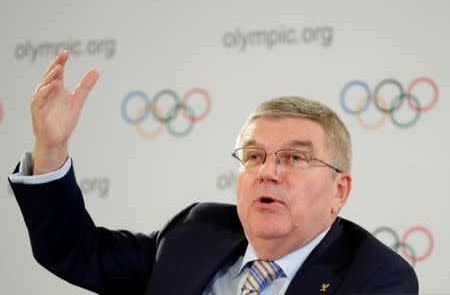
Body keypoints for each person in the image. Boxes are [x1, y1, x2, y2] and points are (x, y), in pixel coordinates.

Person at [9, 50, 418, 295]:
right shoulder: (196, 232)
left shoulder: (375, 276)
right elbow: (73, 251)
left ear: (339, 192)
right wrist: (52, 146)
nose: (268, 172)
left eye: (295, 158)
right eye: (254, 156)